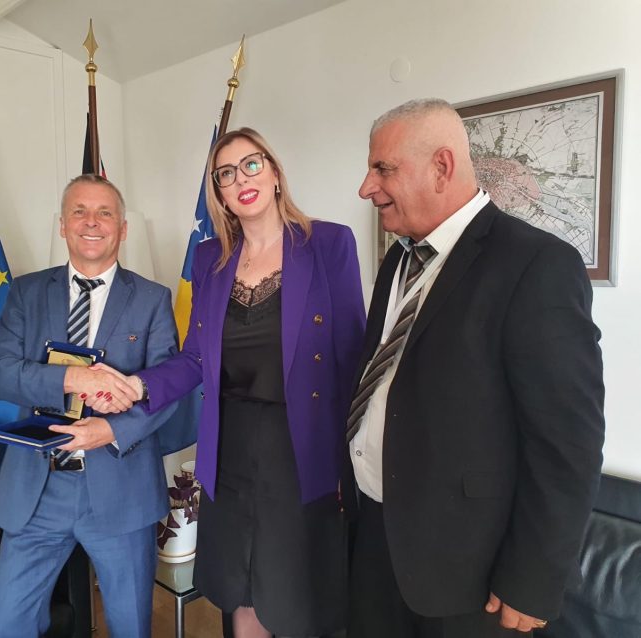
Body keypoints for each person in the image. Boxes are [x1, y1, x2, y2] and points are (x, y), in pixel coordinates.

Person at [344, 98, 605, 637]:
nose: (367, 188)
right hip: (375, 537)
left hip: (467, 572)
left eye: (383, 169)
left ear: (442, 166)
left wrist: (532, 579)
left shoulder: (536, 264)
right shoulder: (398, 258)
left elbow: (567, 444)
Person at [97, 127, 366, 637]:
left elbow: (352, 357)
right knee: (238, 584)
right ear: (218, 192)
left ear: (274, 172)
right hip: (229, 447)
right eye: (226, 173)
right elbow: (196, 358)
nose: (241, 179)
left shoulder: (329, 243)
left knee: (294, 592)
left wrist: (348, 461)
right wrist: (139, 385)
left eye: (251, 164)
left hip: (302, 446)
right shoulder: (210, 258)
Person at [0, 173, 180, 638]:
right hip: (37, 490)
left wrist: (110, 430)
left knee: (130, 626)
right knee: (7, 625)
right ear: (62, 225)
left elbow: (168, 389)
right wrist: (73, 378)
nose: (92, 222)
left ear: (122, 228)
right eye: (79, 211)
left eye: (104, 213)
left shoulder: (152, 299)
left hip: (120, 488)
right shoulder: (27, 292)